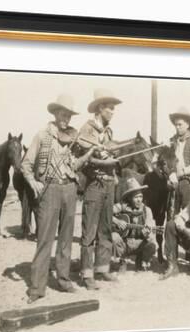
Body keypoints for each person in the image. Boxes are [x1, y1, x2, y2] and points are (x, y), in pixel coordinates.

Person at [21, 94, 95, 304]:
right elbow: (25, 164)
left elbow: (74, 166)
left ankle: (63, 280)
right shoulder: (42, 136)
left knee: (65, 238)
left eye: (69, 116)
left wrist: (88, 154)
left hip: (69, 189)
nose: (66, 119)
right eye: (63, 114)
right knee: (45, 239)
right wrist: (33, 182)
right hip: (50, 190)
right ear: (55, 114)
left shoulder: (71, 139)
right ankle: (37, 287)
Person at [75, 89, 122, 290]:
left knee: (105, 227)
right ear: (100, 108)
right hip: (95, 184)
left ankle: (102, 268)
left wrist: (114, 171)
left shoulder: (109, 132)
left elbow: (111, 155)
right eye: (110, 108)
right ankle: (86, 274)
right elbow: (84, 161)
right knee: (90, 230)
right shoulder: (86, 130)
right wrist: (103, 162)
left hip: (110, 184)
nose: (113, 112)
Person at [112, 178, 157, 273]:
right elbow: (106, 213)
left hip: (139, 243)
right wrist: (116, 221)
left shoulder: (147, 210)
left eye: (140, 197)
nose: (139, 200)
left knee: (152, 244)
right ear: (129, 198)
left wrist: (147, 233)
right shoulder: (122, 206)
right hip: (125, 243)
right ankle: (122, 261)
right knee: (114, 236)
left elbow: (150, 225)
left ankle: (141, 259)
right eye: (136, 197)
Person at [167, 107, 190, 212]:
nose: (177, 127)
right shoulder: (171, 142)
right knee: (172, 216)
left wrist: (182, 172)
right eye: (176, 125)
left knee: (188, 215)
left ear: (187, 125)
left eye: (180, 124)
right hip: (174, 185)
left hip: (189, 183)